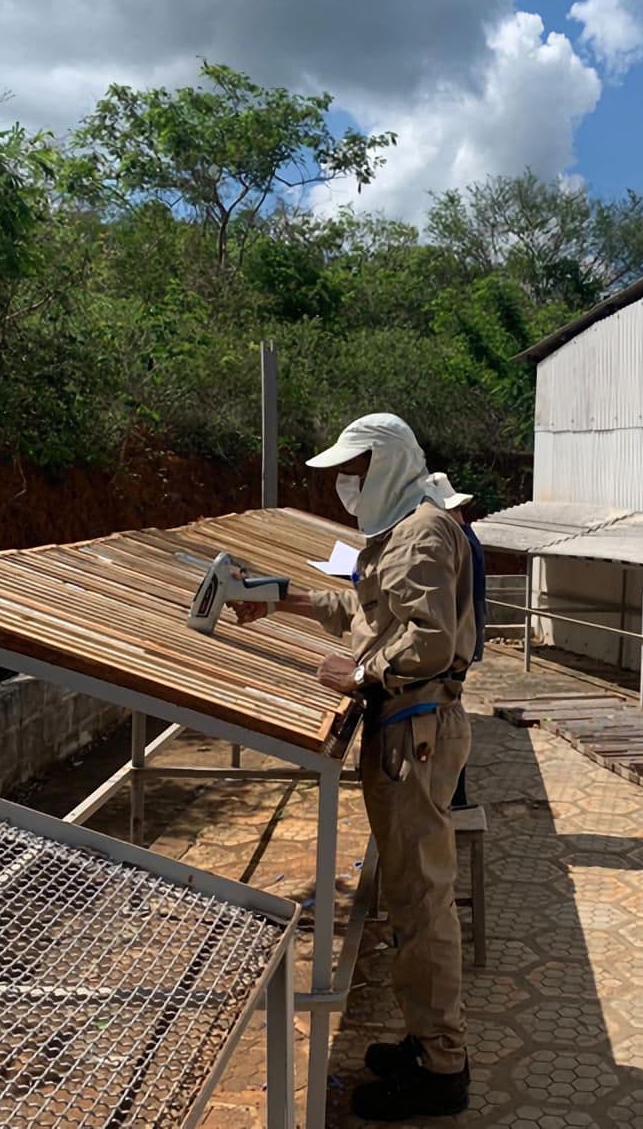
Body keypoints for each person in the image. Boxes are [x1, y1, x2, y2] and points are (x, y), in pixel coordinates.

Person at [231, 413, 475, 1120]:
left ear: (387, 464)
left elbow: (429, 641)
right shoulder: (404, 527)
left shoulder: (423, 533)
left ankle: (442, 1067)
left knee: (422, 899)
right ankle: (426, 1041)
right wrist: (280, 597)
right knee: (410, 893)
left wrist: (362, 671)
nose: (347, 484)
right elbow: (369, 607)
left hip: (416, 730)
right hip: (408, 727)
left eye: (356, 470)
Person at [423, 471, 487, 810]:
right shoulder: (468, 536)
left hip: (452, 646)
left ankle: (452, 799)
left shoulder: (455, 542)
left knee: (446, 724)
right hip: (462, 642)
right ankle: (452, 798)